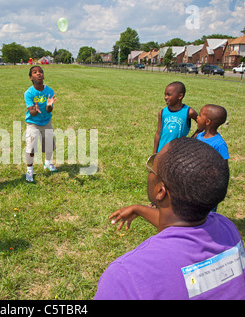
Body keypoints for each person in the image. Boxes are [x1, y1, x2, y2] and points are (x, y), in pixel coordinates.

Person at [95, 137, 245, 300]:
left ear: (160, 191)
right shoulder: (227, 229)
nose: (149, 171)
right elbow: (183, 227)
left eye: (152, 166)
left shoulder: (127, 276)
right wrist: (139, 209)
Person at [24, 66, 57, 182]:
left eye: (41, 72)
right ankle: (29, 171)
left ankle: (47, 164)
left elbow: (49, 110)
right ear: (31, 77)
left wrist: (49, 106)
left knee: (49, 144)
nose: (39, 74)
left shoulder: (49, 91)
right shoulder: (28, 93)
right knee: (31, 147)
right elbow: (32, 113)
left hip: (46, 121)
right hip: (33, 123)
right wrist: (34, 109)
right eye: (35, 72)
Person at [153, 81, 200, 153]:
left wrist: (192, 138)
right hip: (162, 152)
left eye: (169, 95)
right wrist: (154, 153)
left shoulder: (189, 112)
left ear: (180, 96)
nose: (165, 97)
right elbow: (158, 134)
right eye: (165, 95)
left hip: (178, 154)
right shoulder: (162, 112)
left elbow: (202, 124)